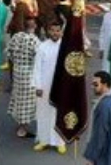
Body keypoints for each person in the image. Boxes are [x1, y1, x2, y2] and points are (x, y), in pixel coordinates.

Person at [33, 20, 66, 153]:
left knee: (59, 113)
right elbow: (37, 67)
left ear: (61, 32)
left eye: (57, 30)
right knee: (44, 113)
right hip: (45, 87)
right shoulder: (42, 46)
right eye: (52, 30)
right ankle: (44, 140)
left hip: (61, 87)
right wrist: (38, 86)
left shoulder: (66, 47)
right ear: (48, 31)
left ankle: (60, 142)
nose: (54, 33)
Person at [7, 16, 40, 138]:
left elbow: (8, 52)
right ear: (35, 26)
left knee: (18, 99)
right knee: (28, 103)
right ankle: (22, 129)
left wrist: (16, 62)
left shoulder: (17, 36)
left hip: (17, 71)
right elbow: (39, 59)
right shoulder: (34, 41)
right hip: (29, 74)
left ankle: (20, 124)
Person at [84, 71, 111, 165]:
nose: (92, 87)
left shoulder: (103, 106)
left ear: (105, 84)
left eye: (95, 84)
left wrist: (92, 158)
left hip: (103, 155)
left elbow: (99, 134)